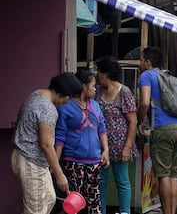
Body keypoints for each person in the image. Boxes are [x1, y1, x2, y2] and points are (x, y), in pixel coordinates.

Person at [11, 72, 82, 214]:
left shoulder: (37, 94)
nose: (67, 102)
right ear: (61, 92)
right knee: (36, 210)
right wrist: (60, 175)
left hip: (27, 157)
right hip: (31, 162)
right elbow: (46, 145)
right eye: (69, 98)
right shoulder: (48, 109)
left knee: (49, 198)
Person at [137, 47, 177, 214]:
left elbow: (144, 102)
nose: (140, 63)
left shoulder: (146, 76)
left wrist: (139, 119)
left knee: (163, 174)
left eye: (141, 60)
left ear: (148, 62)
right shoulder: (168, 75)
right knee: (173, 174)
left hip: (162, 128)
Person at [55, 70, 110, 214]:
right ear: (84, 86)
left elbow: (102, 128)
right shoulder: (66, 107)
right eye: (93, 85)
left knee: (93, 199)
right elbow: (60, 135)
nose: (95, 88)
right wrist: (55, 162)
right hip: (73, 161)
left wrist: (106, 150)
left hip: (94, 160)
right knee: (73, 201)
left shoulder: (95, 105)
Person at [95, 56, 139, 214]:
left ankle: (125, 212)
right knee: (101, 181)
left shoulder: (124, 92)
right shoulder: (98, 91)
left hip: (120, 146)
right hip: (101, 146)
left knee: (122, 181)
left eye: (98, 72)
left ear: (105, 74)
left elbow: (133, 122)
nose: (96, 75)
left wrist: (127, 148)